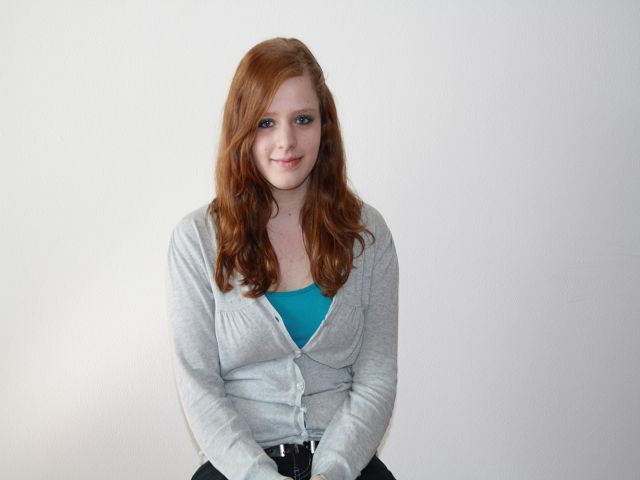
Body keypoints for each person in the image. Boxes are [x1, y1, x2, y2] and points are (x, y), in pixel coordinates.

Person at [166, 37, 399, 480]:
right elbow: (200, 388)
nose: (286, 141)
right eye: (266, 122)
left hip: (344, 467)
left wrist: (331, 471)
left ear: (325, 126)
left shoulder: (368, 236)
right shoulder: (195, 241)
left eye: (303, 119)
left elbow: (376, 381)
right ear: (242, 129)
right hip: (238, 470)